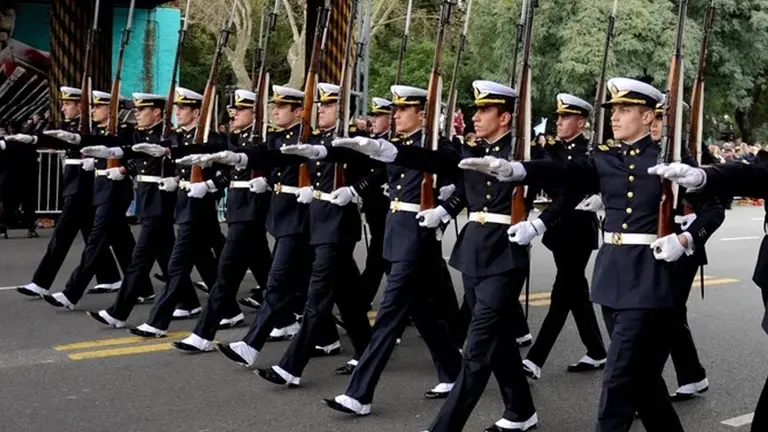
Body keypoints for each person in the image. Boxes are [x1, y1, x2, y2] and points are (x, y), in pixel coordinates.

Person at [460, 77, 724, 431]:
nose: (615, 117)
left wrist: (687, 239)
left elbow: (714, 211)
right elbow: (565, 171)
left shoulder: (672, 161)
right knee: (643, 379)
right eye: (614, 110)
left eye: (625, 110)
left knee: (616, 379)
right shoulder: (605, 158)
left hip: (648, 277)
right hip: (612, 274)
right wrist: (518, 170)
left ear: (649, 117)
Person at [329, 81, 534, 430]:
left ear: (506, 117)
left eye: (485, 110)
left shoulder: (525, 155)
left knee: (479, 346)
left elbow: (567, 181)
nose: (475, 116)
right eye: (476, 109)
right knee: (496, 340)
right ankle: (521, 411)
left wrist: (540, 223)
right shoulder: (472, 150)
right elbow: (437, 164)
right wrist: (442, 206)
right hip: (473, 254)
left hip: (505, 256)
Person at [511, 93, 606, 380]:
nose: (559, 122)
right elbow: (533, 179)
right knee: (576, 291)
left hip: (578, 228)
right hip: (556, 230)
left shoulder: (592, 151)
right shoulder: (549, 150)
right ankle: (597, 351)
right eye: (558, 117)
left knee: (562, 291)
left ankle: (535, 358)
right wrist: (523, 217)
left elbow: (575, 188)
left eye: (566, 118)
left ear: (581, 122)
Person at [11, 86, 122, 297]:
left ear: (80, 106)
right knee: (94, 234)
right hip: (75, 183)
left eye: (68, 104)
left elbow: (102, 145)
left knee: (62, 234)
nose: (63, 108)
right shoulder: (70, 125)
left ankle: (41, 282)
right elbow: (56, 139)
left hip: (86, 184)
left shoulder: (91, 127)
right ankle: (110, 277)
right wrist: (32, 139)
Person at [38, 89, 137, 310]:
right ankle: (143, 287)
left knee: (95, 243)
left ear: (111, 110)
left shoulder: (126, 131)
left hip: (115, 193)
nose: (92, 110)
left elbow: (136, 155)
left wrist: (123, 168)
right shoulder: (98, 131)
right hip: (100, 190)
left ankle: (71, 294)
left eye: (97, 107)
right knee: (126, 243)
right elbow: (92, 141)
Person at [648, 97, 711, 401]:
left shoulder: (687, 164)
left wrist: (687, 237)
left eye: (662, 120)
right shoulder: (648, 155)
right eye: (654, 119)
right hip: (656, 249)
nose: (654, 125)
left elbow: (714, 212)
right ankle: (693, 375)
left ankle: (641, 388)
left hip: (682, 252)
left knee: (663, 316)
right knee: (671, 316)